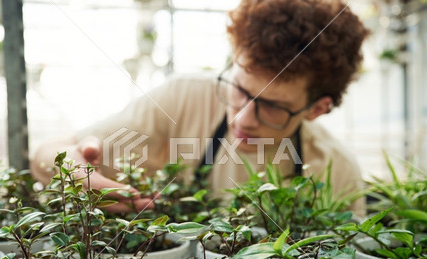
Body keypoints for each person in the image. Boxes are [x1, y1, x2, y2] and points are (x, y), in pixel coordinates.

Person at [31, 0, 369, 217]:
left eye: (272, 106)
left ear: (316, 109)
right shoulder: (184, 98)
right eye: (239, 89)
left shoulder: (335, 171)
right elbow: (48, 153)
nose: (242, 117)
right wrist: (73, 172)